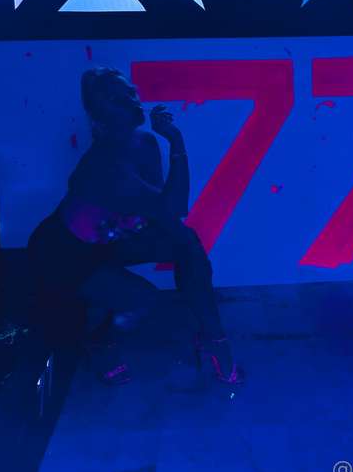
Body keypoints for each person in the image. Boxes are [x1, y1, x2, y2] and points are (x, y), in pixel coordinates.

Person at [27, 66, 243, 385]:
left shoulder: (145, 142)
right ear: (101, 114)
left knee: (186, 241)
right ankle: (100, 341)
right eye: (118, 99)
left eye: (130, 92)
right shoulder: (105, 164)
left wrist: (174, 142)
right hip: (65, 255)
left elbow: (170, 208)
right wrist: (176, 140)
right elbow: (171, 207)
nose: (132, 100)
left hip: (109, 240)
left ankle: (214, 336)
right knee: (143, 300)